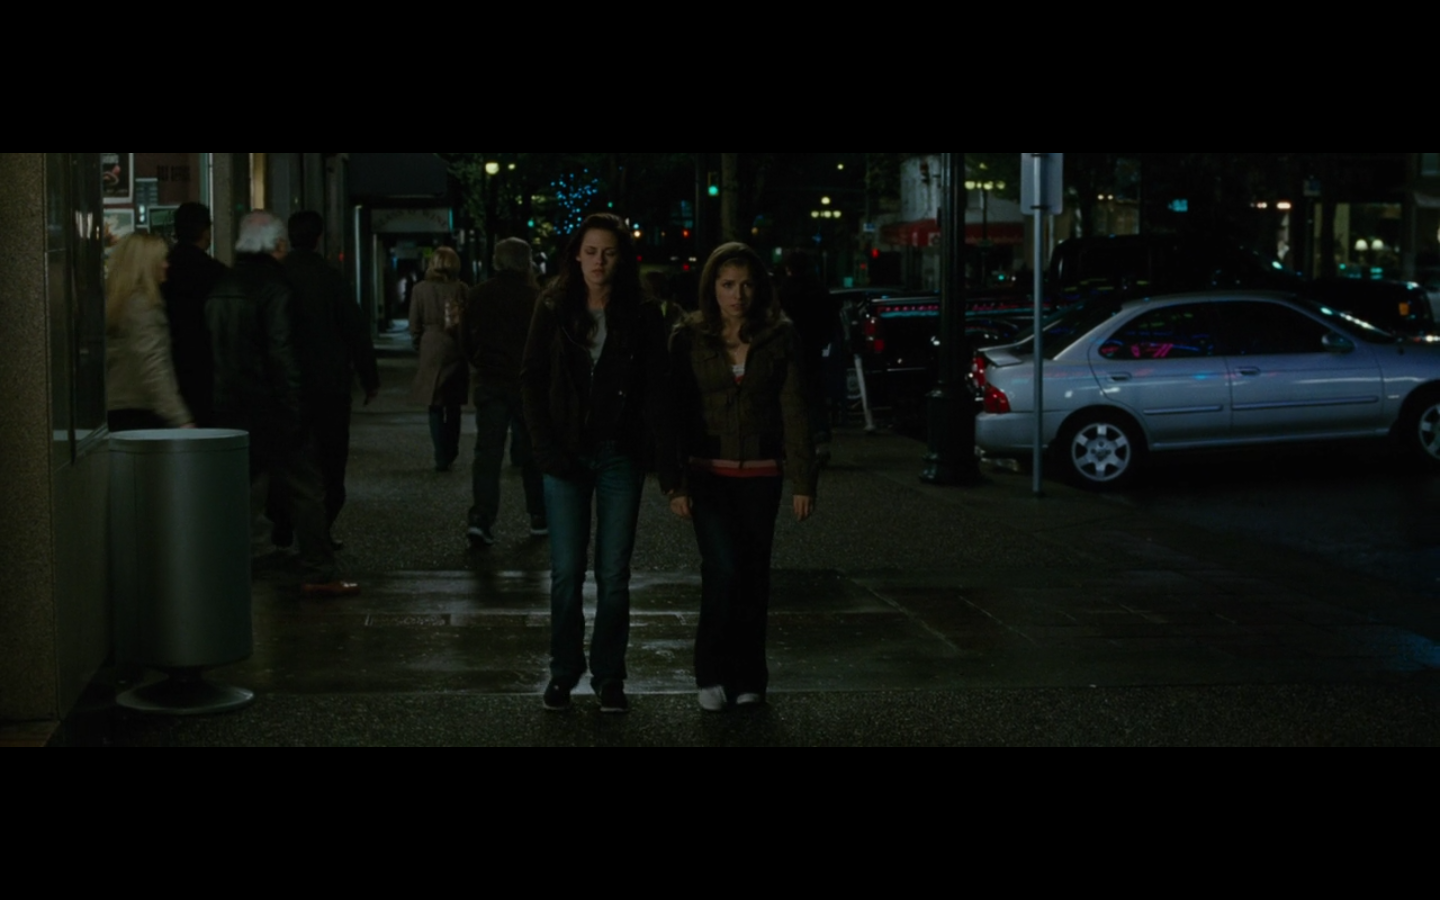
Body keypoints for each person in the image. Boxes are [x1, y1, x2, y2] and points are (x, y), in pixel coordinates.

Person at [522, 214, 672, 715]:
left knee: (613, 572)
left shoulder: (642, 311)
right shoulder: (553, 306)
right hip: (565, 452)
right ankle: (563, 671)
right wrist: (545, 449)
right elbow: (532, 378)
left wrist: (659, 458)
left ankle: (609, 675)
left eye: (608, 252)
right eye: (590, 252)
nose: (598, 262)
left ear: (622, 258)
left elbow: (656, 387)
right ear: (576, 255)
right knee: (566, 571)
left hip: (617, 453)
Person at [666, 243, 818, 713]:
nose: (738, 294)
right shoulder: (690, 337)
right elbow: (675, 411)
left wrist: (803, 480)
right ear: (712, 287)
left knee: (754, 575)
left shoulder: (779, 336)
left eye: (747, 284)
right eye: (728, 284)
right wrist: (675, 483)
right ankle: (711, 672)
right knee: (723, 570)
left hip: (761, 472)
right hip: (708, 472)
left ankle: (749, 678)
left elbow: (796, 408)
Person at [207, 211, 357, 597]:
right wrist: (295, 407)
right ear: (276, 244)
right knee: (307, 489)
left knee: (236, 492)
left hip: (228, 406)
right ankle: (319, 571)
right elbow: (282, 351)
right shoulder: (276, 287)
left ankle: (218, 569)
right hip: (271, 408)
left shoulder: (223, 284)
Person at [282, 211, 380, 549]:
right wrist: (369, 378)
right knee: (331, 460)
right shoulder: (330, 278)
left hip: (288, 385)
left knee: (291, 458)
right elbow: (355, 330)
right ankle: (319, 530)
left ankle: (290, 526)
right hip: (329, 386)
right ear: (319, 238)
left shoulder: (278, 276)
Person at [463, 238, 545, 547]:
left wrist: (480, 362)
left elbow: (465, 339)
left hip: (491, 380)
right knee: (532, 452)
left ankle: (481, 519)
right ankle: (538, 514)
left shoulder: (478, 295)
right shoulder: (536, 297)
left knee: (488, 453)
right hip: (526, 384)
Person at [105, 233, 195, 433]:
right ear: (146, 264)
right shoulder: (143, 306)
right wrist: (180, 417)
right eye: (161, 259)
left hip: (119, 407)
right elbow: (153, 364)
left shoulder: (119, 302)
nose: (166, 265)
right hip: (140, 411)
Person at [162, 203, 227, 427]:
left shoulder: (164, 269)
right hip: (204, 364)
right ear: (205, 231)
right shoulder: (216, 273)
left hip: (169, 362)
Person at [409, 247, 469, 472]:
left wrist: (419, 343)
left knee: (434, 404)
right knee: (453, 404)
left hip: (431, 344)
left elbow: (414, 322)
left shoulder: (420, 289)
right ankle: (451, 449)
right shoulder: (461, 289)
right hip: (455, 346)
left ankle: (440, 454)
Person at [779, 250, 841, 459]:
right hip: (813, 349)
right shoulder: (819, 289)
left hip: (789, 350)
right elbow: (831, 319)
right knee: (815, 394)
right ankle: (819, 438)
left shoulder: (783, 291)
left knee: (791, 396)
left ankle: (795, 442)